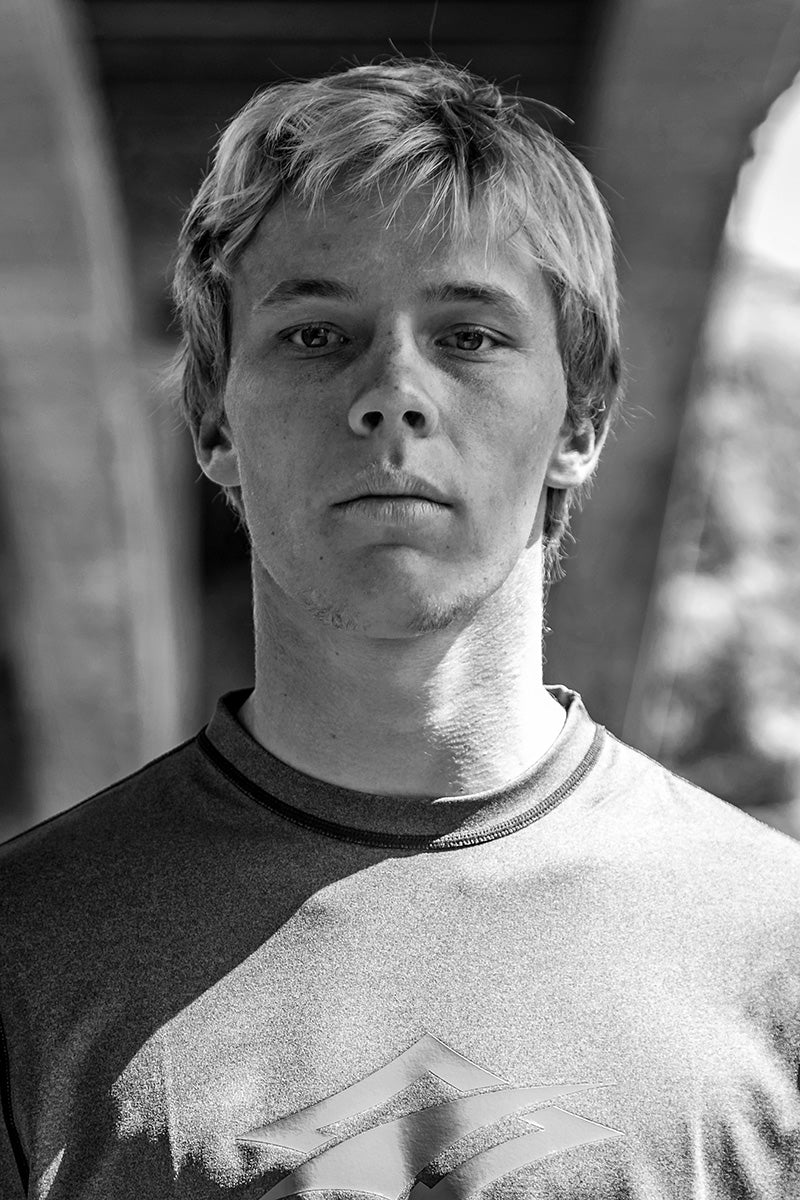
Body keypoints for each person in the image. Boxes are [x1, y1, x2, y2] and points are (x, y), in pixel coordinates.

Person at [1, 57, 798, 1200]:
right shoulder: (26, 959)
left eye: (467, 336)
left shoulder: (773, 953)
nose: (393, 393)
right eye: (315, 336)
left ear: (580, 422)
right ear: (213, 424)